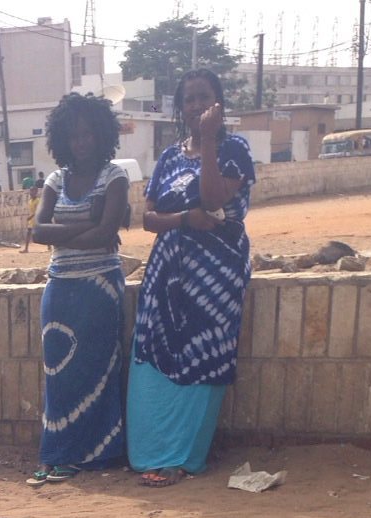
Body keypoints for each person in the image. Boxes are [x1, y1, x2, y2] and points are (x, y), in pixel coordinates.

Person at [126, 68, 255, 486]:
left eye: (204, 97)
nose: (196, 105)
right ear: (180, 108)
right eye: (189, 99)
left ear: (219, 102)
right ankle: (149, 454)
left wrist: (211, 141)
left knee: (204, 355)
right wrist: (185, 219)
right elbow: (147, 219)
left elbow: (214, 198)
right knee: (154, 356)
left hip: (215, 277)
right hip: (167, 274)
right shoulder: (168, 156)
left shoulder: (235, 148)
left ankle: (182, 458)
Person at [25, 93, 129, 486]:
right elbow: (38, 231)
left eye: (88, 134)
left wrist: (67, 234)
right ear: (62, 139)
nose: (81, 142)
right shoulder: (54, 180)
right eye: (74, 135)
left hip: (99, 287)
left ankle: (95, 454)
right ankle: (56, 453)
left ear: (101, 135)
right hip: (60, 287)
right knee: (59, 372)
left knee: (98, 370)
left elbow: (108, 234)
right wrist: (91, 228)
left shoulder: (115, 175)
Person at [20, 177, 44, 252]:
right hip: (32, 220)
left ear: (36, 192)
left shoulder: (38, 200)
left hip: (37, 219)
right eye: (30, 191)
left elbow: (38, 211)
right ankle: (26, 249)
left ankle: (49, 245)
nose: (31, 193)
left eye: (33, 191)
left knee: (42, 232)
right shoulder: (30, 201)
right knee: (28, 233)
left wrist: (31, 216)